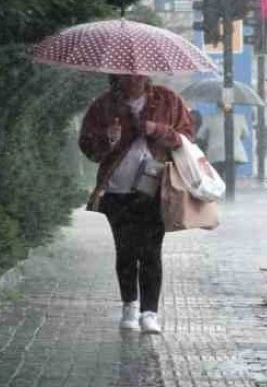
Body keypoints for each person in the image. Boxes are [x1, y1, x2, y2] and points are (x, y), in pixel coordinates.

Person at [78, 74, 193, 334]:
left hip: (155, 188)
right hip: (117, 190)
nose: (134, 78)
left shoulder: (168, 100)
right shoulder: (104, 105)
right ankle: (130, 306)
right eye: (127, 75)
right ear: (117, 76)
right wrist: (108, 139)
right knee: (126, 250)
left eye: (139, 73)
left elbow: (186, 138)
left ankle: (149, 313)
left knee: (151, 251)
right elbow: (88, 148)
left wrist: (157, 130)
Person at [196, 101, 249, 180]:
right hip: (235, 152)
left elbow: (200, 136)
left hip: (215, 153)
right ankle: (230, 190)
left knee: (217, 176)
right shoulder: (239, 118)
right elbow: (245, 135)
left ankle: (221, 189)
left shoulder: (209, 118)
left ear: (217, 106)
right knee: (231, 176)